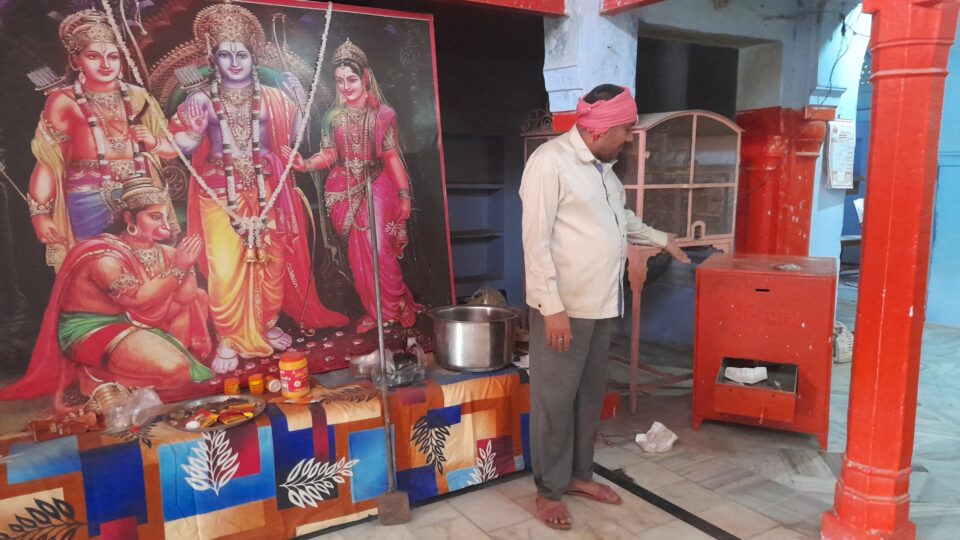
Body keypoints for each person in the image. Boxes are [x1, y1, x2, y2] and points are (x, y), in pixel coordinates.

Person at [519, 84, 690, 530]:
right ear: (598, 130)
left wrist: (661, 239)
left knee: (588, 397)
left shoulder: (604, 173)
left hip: (601, 306)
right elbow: (535, 242)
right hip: (564, 308)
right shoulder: (550, 163)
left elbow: (621, 221)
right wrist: (551, 308)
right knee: (555, 401)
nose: (630, 138)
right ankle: (548, 491)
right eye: (626, 129)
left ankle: (579, 475)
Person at [169, 3, 348, 369]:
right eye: (225, 54)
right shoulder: (200, 98)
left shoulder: (274, 97)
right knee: (226, 269)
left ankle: (266, 324)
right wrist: (193, 133)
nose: (235, 62)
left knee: (272, 262)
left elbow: (295, 139)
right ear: (213, 58)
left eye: (242, 54)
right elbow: (180, 147)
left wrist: (300, 103)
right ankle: (229, 337)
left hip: (269, 192)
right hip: (221, 195)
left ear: (253, 57)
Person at [0, 179, 214, 414]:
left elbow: (185, 298)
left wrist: (187, 266)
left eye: (165, 217)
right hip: (96, 328)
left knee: (199, 298)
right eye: (155, 217)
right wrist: (179, 267)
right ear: (130, 219)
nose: (165, 225)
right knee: (176, 372)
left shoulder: (165, 251)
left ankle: (141, 366)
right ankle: (96, 379)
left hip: (134, 321)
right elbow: (137, 299)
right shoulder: (104, 257)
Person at [283, 39, 422, 334]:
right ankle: (374, 311)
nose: (346, 86)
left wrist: (404, 195)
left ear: (365, 77)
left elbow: (391, 157)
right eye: (339, 81)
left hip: (378, 181)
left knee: (378, 247)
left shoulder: (384, 114)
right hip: (342, 188)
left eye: (351, 79)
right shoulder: (332, 118)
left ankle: (395, 303)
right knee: (356, 256)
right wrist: (305, 164)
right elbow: (329, 154)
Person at [28, 9, 178, 271]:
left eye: (113, 57)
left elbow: (170, 151)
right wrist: (40, 215)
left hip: (141, 197)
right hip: (87, 199)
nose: (106, 64)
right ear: (75, 61)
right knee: (97, 271)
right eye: (93, 56)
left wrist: (153, 142)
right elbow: (48, 163)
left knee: (146, 273)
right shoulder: (64, 101)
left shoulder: (138, 97)